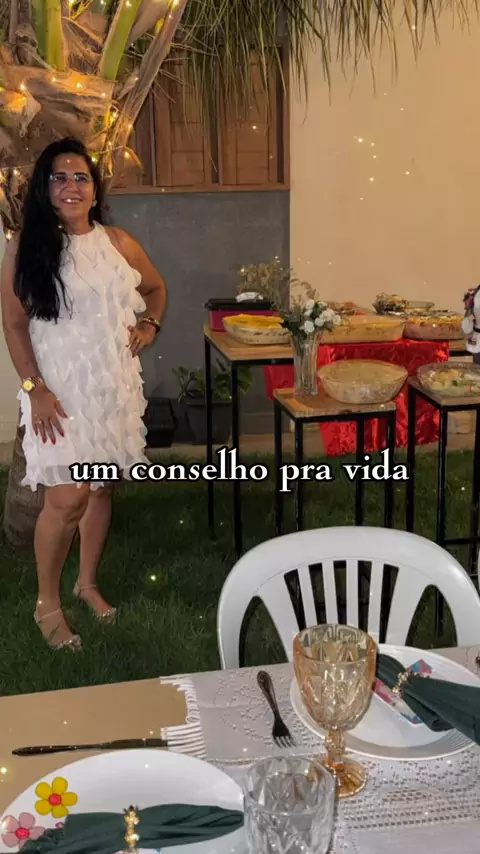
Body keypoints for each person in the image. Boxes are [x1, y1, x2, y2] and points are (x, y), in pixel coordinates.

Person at [0, 137, 166, 651]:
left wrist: (150, 324)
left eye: (80, 178)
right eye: (59, 178)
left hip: (112, 387)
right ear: (44, 188)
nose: (70, 187)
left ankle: (86, 583)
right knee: (67, 496)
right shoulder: (26, 246)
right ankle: (46, 603)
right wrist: (35, 390)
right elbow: (14, 324)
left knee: (99, 488)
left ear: (95, 189)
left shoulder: (117, 241)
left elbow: (155, 289)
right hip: (57, 393)